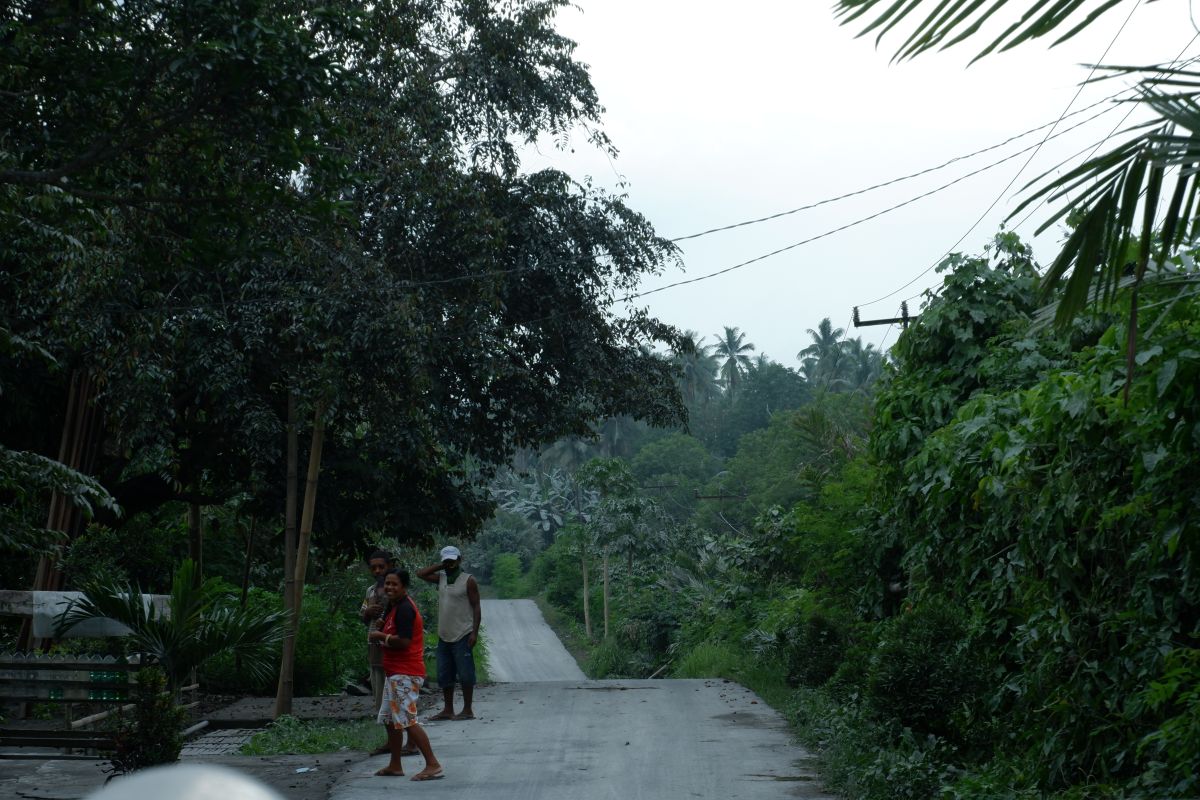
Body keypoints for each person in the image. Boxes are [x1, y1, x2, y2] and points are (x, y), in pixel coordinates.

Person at [367, 568, 443, 781]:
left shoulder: (405, 609)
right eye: (387, 584)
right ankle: (395, 764)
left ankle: (432, 764)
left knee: (408, 720)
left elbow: (405, 641)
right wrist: (384, 633)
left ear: (404, 587)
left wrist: (382, 636)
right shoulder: (393, 607)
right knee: (390, 719)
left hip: (406, 672)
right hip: (394, 672)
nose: (389, 587)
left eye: (394, 584)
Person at [359, 550, 416, 757]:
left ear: (389, 565)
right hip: (375, 648)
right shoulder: (371, 591)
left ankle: (411, 742)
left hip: (394, 649)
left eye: (381, 567)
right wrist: (368, 613)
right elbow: (363, 615)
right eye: (373, 567)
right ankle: (391, 742)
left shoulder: (396, 593)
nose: (377, 571)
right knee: (381, 698)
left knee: (400, 698)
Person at [417, 545, 481, 721]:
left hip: (463, 632)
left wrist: (474, 632)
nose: (450, 563)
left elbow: (476, 606)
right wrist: (440, 566)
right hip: (444, 634)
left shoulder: (468, 580)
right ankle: (448, 709)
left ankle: (467, 709)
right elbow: (420, 574)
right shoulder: (442, 578)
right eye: (447, 560)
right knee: (444, 673)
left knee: (466, 672)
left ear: (459, 560)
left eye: (453, 560)